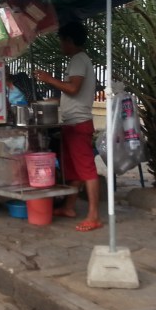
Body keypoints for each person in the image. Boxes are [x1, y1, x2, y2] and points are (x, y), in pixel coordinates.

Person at [34, 22, 101, 232]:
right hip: (71, 123)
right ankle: (70, 207)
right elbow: (71, 93)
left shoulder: (78, 60)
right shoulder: (79, 60)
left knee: (87, 170)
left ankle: (94, 215)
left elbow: (73, 88)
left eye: (61, 41)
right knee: (73, 171)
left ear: (70, 41)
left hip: (79, 123)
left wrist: (48, 78)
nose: (60, 46)